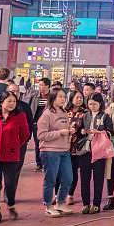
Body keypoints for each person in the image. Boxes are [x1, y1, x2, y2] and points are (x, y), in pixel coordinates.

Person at [0, 90, 29, 224]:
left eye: (14, 101)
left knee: (10, 183)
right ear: (1, 102)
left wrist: (15, 145)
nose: (12, 103)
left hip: (12, 155)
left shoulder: (20, 116)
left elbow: (25, 135)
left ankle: (11, 205)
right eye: (9, 101)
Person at [37, 89, 75, 217]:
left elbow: (64, 130)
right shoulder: (47, 114)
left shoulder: (64, 113)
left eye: (64, 96)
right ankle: (48, 205)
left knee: (68, 178)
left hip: (64, 150)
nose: (63, 99)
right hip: (49, 151)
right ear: (53, 98)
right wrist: (60, 133)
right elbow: (41, 135)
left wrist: (69, 132)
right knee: (51, 179)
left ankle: (60, 203)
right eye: (60, 97)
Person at [64, 91, 87, 205]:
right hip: (63, 146)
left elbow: (86, 130)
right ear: (71, 99)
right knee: (61, 171)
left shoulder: (85, 113)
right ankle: (57, 194)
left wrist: (78, 132)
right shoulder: (65, 112)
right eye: (77, 98)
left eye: (81, 98)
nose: (79, 100)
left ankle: (70, 194)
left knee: (73, 171)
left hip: (77, 146)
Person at [29, 78, 51, 171]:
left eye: (41, 85)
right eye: (39, 85)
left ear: (47, 86)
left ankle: (47, 163)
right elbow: (30, 109)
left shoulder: (52, 96)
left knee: (48, 143)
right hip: (36, 124)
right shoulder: (35, 96)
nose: (40, 87)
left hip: (49, 124)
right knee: (37, 144)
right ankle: (39, 164)